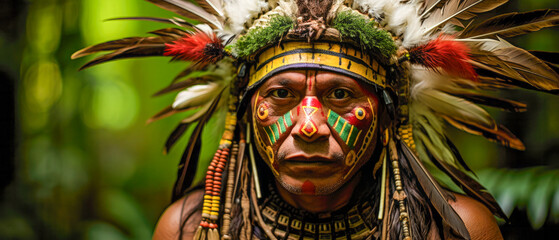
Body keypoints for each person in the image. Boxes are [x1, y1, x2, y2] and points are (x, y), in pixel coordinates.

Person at [73, 0, 559, 239]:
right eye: (281, 94)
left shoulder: (456, 230)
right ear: (245, 111)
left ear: (390, 115)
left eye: (342, 94)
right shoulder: (188, 230)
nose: (308, 125)